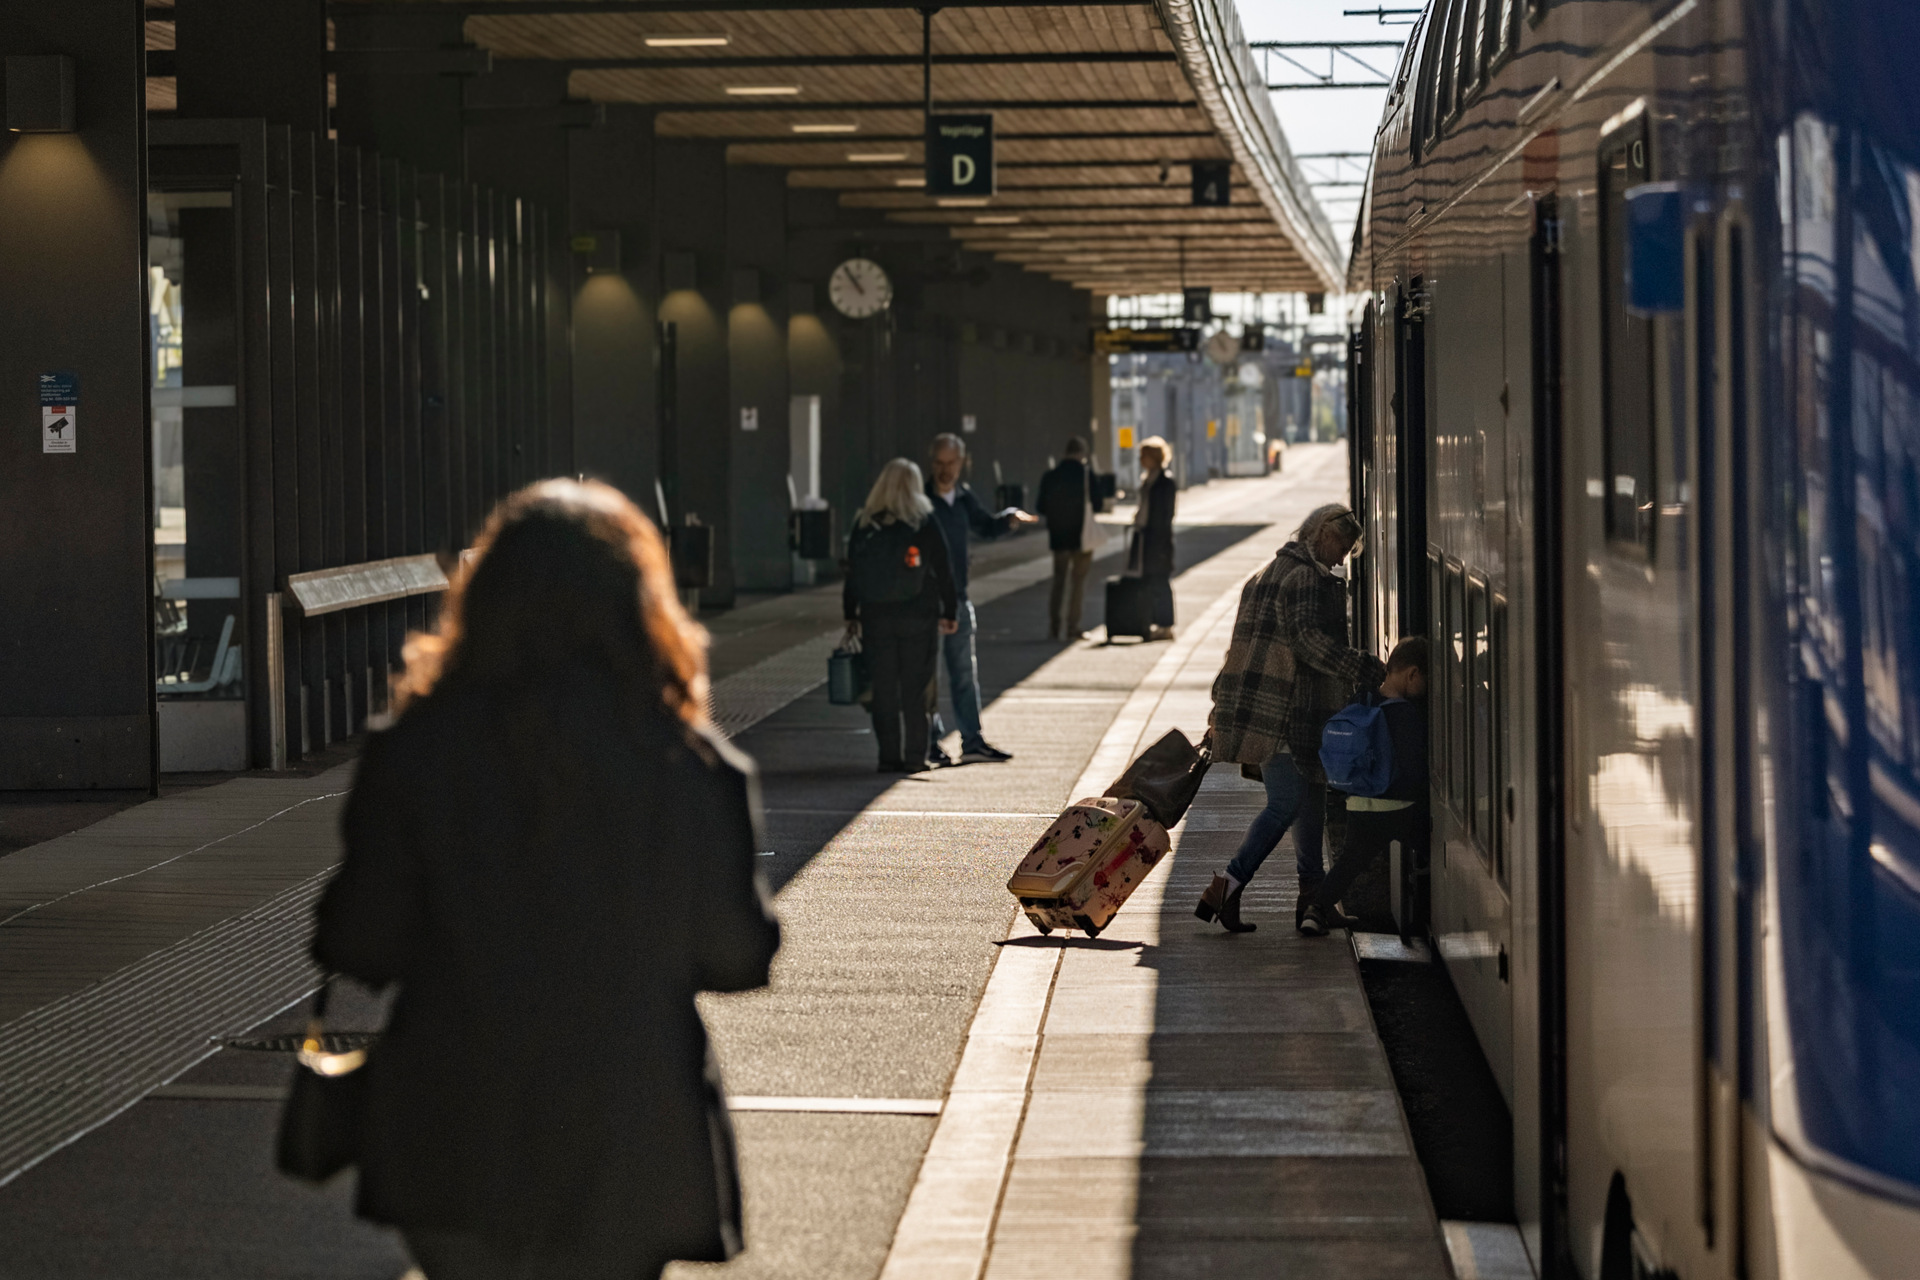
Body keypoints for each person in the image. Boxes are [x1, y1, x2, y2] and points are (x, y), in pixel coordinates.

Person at [312, 479, 781, 1280]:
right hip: (625, 1126)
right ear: (642, 605)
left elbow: (358, 940)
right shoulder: (693, 766)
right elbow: (737, 956)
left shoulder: (416, 752)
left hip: (454, 1121)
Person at [1196, 504, 1385, 934]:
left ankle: (1312, 899)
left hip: (1279, 708)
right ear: (1319, 533)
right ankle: (1227, 886)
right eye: (1341, 545)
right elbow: (1307, 642)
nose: (1341, 558)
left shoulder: (1270, 571)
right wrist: (1360, 665)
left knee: (1311, 800)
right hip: (1283, 712)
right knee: (1286, 804)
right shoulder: (1303, 577)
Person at [1300, 637, 1429, 936]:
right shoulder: (1406, 714)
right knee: (1436, 846)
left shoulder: (1362, 701)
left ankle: (1315, 911)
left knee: (1349, 864)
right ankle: (1426, 910)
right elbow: (1414, 769)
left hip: (1359, 804)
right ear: (1412, 674)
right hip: (1401, 809)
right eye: (1426, 679)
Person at [923, 432, 1037, 764]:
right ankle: (930, 740)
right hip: (928, 604)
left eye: (951, 463)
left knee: (963, 674)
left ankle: (971, 740)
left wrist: (1009, 520)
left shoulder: (962, 498)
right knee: (928, 678)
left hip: (957, 598)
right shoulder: (920, 500)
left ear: (963, 464)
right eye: (939, 463)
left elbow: (986, 526)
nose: (945, 470)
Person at [845, 458, 959, 773]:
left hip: (875, 616)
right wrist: (950, 610)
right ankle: (914, 757)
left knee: (883, 688)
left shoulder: (865, 522)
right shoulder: (923, 520)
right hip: (918, 616)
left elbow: (852, 571)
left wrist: (849, 612)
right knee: (915, 687)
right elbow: (944, 569)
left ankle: (888, 757)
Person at [1036, 436, 1103, 640]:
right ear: (1082, 454)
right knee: (1078, 583)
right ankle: (1073, 626)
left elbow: (1041, 507)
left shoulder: (1050, 476)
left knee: (1059, 582)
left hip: (1059, 537)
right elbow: (1098, 505)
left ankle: (1054, 627)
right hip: (1082, 537)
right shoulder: (1086, 475)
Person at [1132, 436, 1177, 641]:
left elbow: (1165, 514)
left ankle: (1166, 625)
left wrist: (1156, 535)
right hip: (1146, 537)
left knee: (1160, 581)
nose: (1141, 459)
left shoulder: (1165, 482)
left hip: (1158, 540)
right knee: (1149, 581)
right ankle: (1152, 622)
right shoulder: (1147, 480)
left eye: (1144, 455)